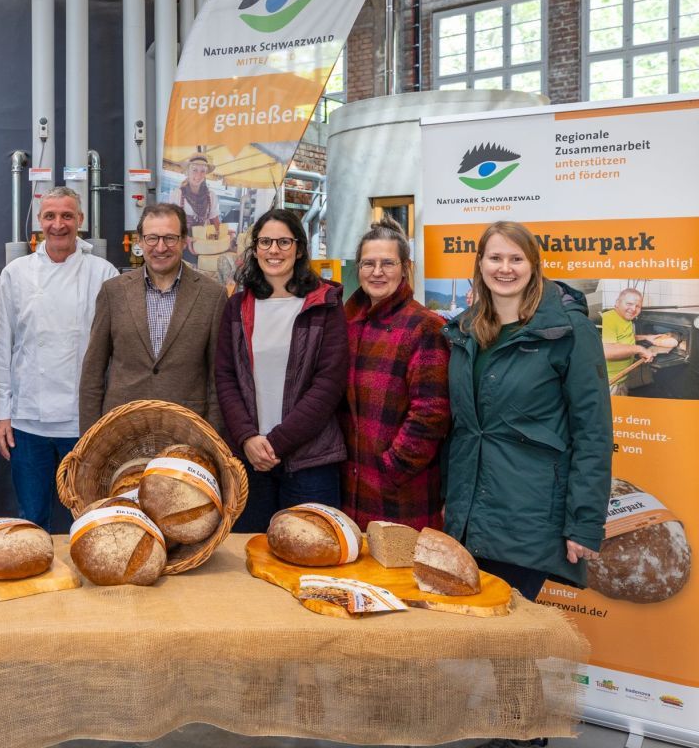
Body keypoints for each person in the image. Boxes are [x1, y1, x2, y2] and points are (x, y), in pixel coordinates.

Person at [442, 221, 610, 602]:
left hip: (529, 517)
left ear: (534, 264)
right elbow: (462, 428)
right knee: (466, 637)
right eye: (495, 257)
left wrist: (584, 524)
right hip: (467, 516)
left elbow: (593, 434)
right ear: (480, 264)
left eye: (516, 258)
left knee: (506, 642)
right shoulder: (465, 332)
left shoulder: (570, 332)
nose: (505, 268)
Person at [0, 186, 117, 532]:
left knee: (91, 516)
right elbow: (1, 346)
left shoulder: (103, 274)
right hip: (28, 421)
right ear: (38, 221)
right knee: (31, 517)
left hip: (85, 421)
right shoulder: (15, 274)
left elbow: (115, 352)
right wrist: (1, 413)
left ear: (81, 220)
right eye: (50, 216)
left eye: (66, 216)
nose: (58, 224)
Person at [215, 208, 348, 533]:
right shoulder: (238, 305)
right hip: (249, 459)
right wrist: (247, 438)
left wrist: (277, 442)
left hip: (310, 462)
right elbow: (226, 377)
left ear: (300, 249)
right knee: (248, 562)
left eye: (284, 242)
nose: (274, 250)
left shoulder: (325, 304)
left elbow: (328, 384)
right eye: (265, 242)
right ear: (255, 248)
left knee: (312, 558)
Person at [341, 219, 451, 531]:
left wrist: (391, 468)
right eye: (368, 263)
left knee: (399, 578)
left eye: (387, 263)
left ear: (405, 267)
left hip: (401, 493)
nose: (377, 272)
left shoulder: (425, 326)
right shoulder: (348, 324)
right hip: (351, 488)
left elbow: (431, 415)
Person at [79, 203, 227, 433]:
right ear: (139, 241)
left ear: (183, 240)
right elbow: (93, 372)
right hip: (122, 429)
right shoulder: (113, 291)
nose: (160, 247)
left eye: (170, 238)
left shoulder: (212, 295)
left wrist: (213, 439)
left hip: (187, 430)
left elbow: (218, 379)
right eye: (152, 238)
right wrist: (89, 438)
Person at [601, 288, 655, 394]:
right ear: (617, 303)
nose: (633, 309)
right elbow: (607, 351)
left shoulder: (626, 318)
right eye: (629, 304)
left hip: (622, 378)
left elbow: (623, 337)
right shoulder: (608, 318)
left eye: (637, 306)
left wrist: (646, 337)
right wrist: (639, 349)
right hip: (609, 382)